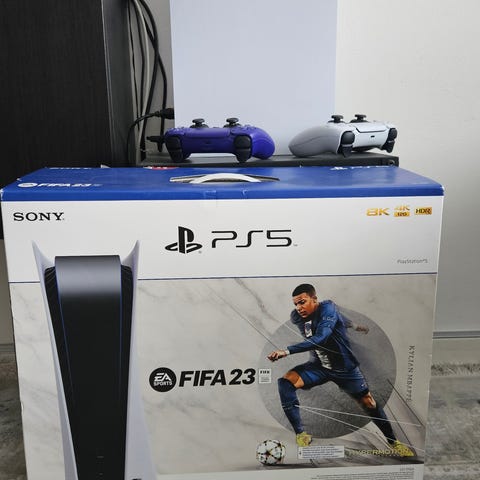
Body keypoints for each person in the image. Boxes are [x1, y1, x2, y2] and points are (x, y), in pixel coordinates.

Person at [267, 283, 414, 456]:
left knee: (369, 402)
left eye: (302, 302)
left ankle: (394, 443)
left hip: (345, 369)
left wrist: (286, 351)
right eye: (295, 304)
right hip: (319, 367)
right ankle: (301, 433)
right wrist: (354, 326)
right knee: (285, 382)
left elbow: (321, 337)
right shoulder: (297, 317)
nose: (298, 307)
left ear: (315, 299)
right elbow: (339, 318)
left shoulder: (327, 308)